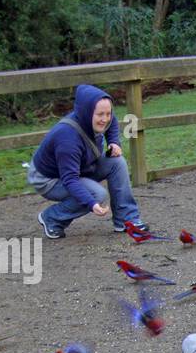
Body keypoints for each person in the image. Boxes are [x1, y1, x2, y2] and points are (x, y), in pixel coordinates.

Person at [28, 84, 146, 239]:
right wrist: (91, 203)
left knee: (117, 163)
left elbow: (112, 122)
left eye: (107, 113)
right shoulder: (67, 139)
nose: (105, 119)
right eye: (100, 115)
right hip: (49, 179)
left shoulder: (99, 118)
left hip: (81, 167)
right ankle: (52, 217)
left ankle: (126, 220)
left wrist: (114, 142)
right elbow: (70, 179)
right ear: (87, 112)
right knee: (97, 194)